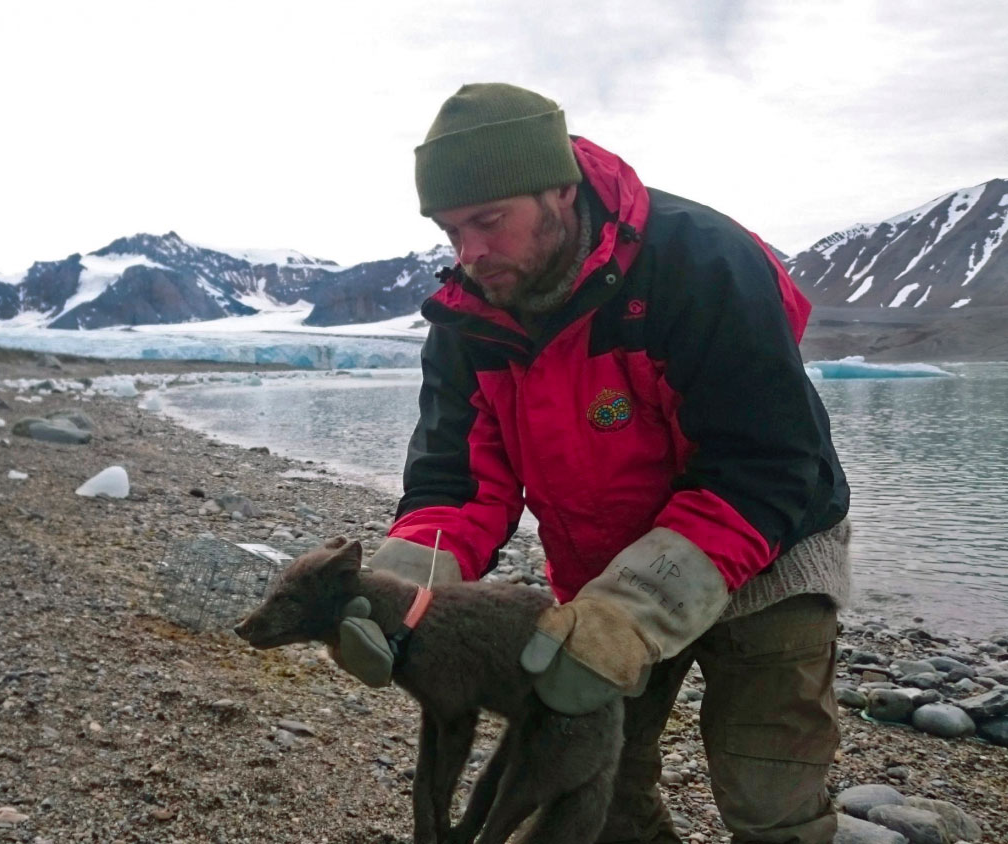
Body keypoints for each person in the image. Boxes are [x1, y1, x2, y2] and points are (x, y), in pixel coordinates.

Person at [334, 83, 852, 844]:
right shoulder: (471, 317)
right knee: (593, 783)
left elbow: (763, 468)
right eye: (451, 231)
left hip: (771, 549)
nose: (470, 253)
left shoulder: (702, 265)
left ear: (559, 191)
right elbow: (457, 483)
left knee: (771, 795)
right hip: (601, 572)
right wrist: (396, 596)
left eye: (488, 221)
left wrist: (629, 616)